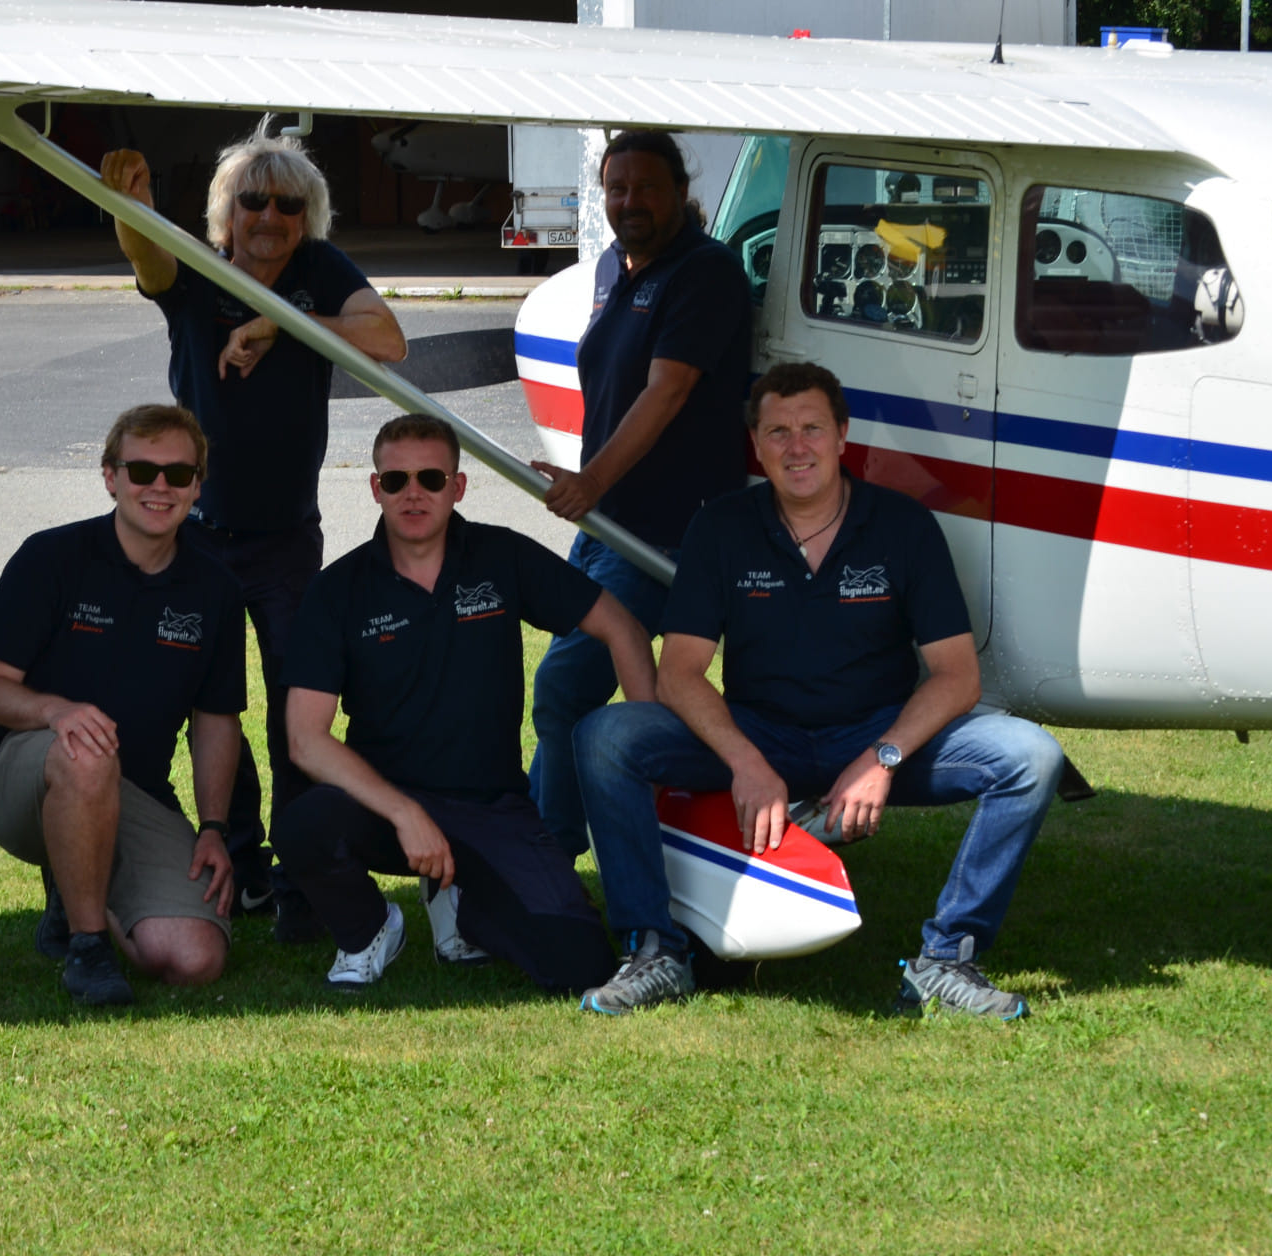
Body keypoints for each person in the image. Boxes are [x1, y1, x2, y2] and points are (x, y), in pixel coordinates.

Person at [573, 363, 1063, 1018]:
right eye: (778, 431)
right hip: (759, 734)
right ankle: (655, 950)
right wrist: (746, 764)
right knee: (605, 738)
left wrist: (880, 760)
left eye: (811, 429)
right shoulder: (722, 527)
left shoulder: (902, 525)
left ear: (842, 437)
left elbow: (956, 675)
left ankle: (947, 960)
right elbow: (680, 672)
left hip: (878, 734)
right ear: (756, 443)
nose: (795, 447)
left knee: (1031, 758)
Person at [99, 123, 407, 941]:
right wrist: (129, 209)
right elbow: (149, 259)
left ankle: (304, 877)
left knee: (295, 710)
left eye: (287, 204)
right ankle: (236, 862)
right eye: (252, 201)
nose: (269, 216)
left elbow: (389, 341)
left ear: (308, 217)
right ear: (224, 215)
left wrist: (283, 323)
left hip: (283, 542)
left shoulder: (316, 272)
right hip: (195, 535)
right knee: (210, 704)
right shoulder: (198, 270)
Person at [272, 416, 655, 992]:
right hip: (387, 807)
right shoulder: (339, 589)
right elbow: (305, 738)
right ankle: (370, 929)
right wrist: (405, 812)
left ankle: (464, 903)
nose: (413, 493)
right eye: (396, 481)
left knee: (579, 963)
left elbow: (622, 628)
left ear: (458, 486)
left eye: (430, 477)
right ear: (375, 489)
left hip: (492, 805)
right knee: (302, 825)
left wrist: (646, 742)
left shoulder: (502, 557)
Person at [0, 405, 244, 1007]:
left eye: (178, 473)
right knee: (86, 752)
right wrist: (54, 712)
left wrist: (215, 829)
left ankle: (77, 894)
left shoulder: (215, 589)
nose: (160, 487)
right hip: (23, 776)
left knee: (194, 958)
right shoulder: (51, 559)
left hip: (132, 792)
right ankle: (87, 947)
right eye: (142, 469)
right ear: (110, 475)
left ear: (199, 484)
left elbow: (216, 720)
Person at [525, 131, 752, 861]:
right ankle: (565, 840)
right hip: (606, 522)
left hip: (666, 530)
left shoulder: (706, 273)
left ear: (680, 190)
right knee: (582, 690)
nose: (631, 201)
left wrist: (589, 481)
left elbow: (667, 389)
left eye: (647, 186)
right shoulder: (612, 268)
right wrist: (592, 496)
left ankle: (549, 852)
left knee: (565, 687)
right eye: (616, 187)